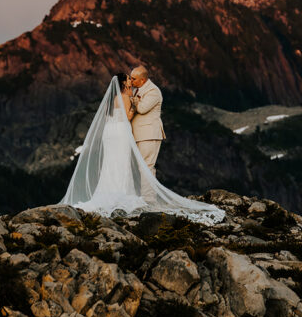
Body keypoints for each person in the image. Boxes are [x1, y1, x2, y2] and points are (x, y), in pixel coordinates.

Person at [59, 69, 224, 224]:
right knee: (122, 162)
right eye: (129, 79)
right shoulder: (124, 97)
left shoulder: (114, 98)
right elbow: (128, 116)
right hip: (120, 132)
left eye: (133, 78)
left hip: (111, 133)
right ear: (124, 83)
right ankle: (123, 194)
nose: (131, 81)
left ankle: (110, 191)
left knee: (111, 162)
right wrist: (132, 101)